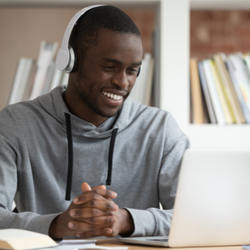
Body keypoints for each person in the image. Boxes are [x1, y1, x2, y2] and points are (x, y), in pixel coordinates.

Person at [0, 5, 189, 239]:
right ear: (71, 62)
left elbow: (195, 218)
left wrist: (126, 220)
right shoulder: (16, 124)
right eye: (110, 67)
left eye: (132, 70)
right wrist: (56, 224)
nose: (122, 82)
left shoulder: (160, 129)